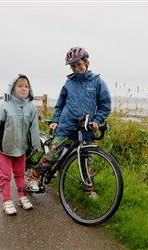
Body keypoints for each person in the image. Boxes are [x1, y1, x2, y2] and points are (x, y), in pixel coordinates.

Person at [26, 47, 112, 198]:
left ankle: (89, 190)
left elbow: (105, 106)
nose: (77, 68)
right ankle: (34, 178)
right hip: (66, 125)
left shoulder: (97, 82)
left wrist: (97, 120)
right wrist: (55, 121)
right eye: (73, 66)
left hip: (85, 127)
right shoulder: (68, 83)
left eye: (79, 64)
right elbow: (60, 105)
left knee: (86, 158)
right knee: (53, 154)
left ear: (87, 63)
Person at [0, 74, 41, 215]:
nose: (24, 89)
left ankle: (21, 196)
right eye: (20, 86)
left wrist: (36, 145)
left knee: (19, 173)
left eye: (26, 86)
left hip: (21, 148)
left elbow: (34, 128)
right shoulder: (4, 105)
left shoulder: (31, 107)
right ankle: (6, 200)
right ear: (12, 88)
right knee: (5, 175)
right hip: (5, 147)